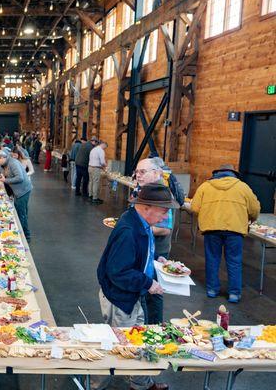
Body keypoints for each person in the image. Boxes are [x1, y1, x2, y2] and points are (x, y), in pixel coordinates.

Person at [97, 184, 178, 390]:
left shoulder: (140, 222)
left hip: (131, 294)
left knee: (137, 339)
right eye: (163, 211)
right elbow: (119, 272)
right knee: (124, 344)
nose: (165, 217)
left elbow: (138, 256)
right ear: (147, 207)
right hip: (121, 297)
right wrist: (148, 282)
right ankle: (105, 384)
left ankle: (141, 384)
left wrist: (155, 261)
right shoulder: (129, 230)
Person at [191, 164, 260, 303]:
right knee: (234, 261)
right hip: (235, 230)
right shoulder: (243, 187)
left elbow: (194, 207)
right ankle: (234, 294)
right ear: (233, 174)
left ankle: (212, 290)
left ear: (216, 173)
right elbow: (255, 208)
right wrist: (252, 218)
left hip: (211, 229)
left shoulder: (205, 186)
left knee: (212, 259)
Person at [132, 158, 175, 324]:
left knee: (154, 292)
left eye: (143, 172)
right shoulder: (141, 190)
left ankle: (156, 329)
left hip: (156, 250)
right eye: (137, 172)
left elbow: (165, 228)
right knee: (144, 289)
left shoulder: (162, 195)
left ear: (157, 173)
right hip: (144, 248)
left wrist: (136, 229)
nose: (138, 176)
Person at [0, 149, 33, 241]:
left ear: (2, 157)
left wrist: (5, 180)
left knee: (21, 214)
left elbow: (20, 178)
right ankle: (23, 234)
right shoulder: (3, 165)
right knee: (20, 212)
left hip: (23, 191)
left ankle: (26, 237)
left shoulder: (13, 163)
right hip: (17, 191)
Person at [88, 140, 108, 204]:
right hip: (96, 169)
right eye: (105, 147)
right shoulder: (101, 151)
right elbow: (102, 162)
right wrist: (105, 165)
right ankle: (95, 198)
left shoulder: (93, 149)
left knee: (91, 182)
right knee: (96, 183)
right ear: (103, 144)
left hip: (90, 167)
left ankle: (90, 195)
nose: (105, 148)